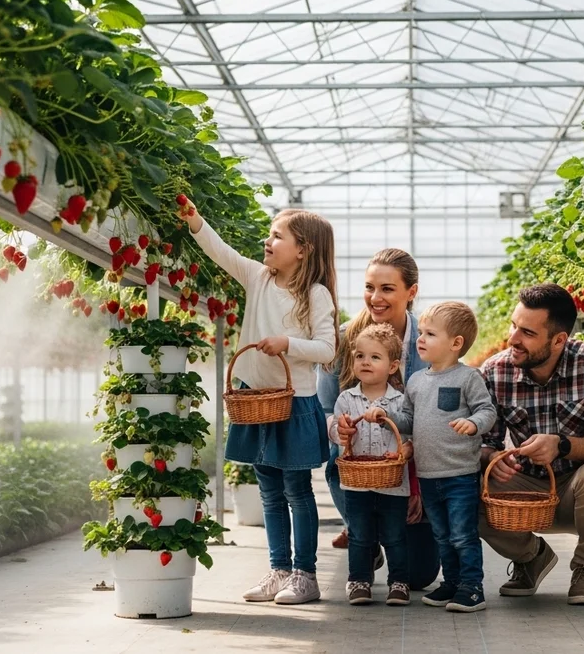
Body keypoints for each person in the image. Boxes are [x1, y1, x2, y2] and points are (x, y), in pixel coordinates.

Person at [183, 198, 338, 606]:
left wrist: (287, 344)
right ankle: (279, 571)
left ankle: (306, 576)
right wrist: (197, 220)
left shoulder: (316, 295)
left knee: (297, 490)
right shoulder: (257, 278)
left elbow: (326, 349)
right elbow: (221, 252)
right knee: (269, 491)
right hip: (255, 400)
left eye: (276, 236)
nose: (266, 241)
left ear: (302, 249)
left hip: (295, 403)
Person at [478, 283, 584, 607]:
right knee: (463, 488)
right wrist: (493, 457)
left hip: (576, 492)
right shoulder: (494, 371)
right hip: (523, 490)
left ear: (559, 340)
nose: (513, 339)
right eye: (513, 326)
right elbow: (483, 441)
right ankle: (531, 557)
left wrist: (563, 446)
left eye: (527, 333)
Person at [317, 249, 440, 590]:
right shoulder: (343, 340)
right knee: (335, 464)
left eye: (387, 288)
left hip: (412, 470)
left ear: (411, 292)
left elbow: (436, 423)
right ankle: (363, 532)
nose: (375, 297)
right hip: (358, 469)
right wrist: (335, 428)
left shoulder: (429, 345)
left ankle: (377, 533)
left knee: (418, 576)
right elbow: (324, 407)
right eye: (370, 287)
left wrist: (415, 484)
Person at [372, 301, 496, 613]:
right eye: (421, 333)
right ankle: (451, 583)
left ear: (456, 344)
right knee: (442, 536)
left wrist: (473, 423)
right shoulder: (415, 381)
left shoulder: (469, 378)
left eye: (430, 334)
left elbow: (487, 411)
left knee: (463, 535)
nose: (420, 339)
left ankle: (472, 588)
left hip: (460, 475)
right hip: (428, 476)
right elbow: (407, 420)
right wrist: (384, 414)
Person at [328, 323, 414, 606]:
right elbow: (338, 434)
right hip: (356, 482)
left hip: (393, 484)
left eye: (375, 357)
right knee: (360, 534)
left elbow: (410, 436)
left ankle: (399, 581)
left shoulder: (401, 402)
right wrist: (340, 431)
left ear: (393, 366)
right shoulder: (346, 399)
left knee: (395, 535)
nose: (365, 362)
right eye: (360, 356)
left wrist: (405, 450)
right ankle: (359, 580)